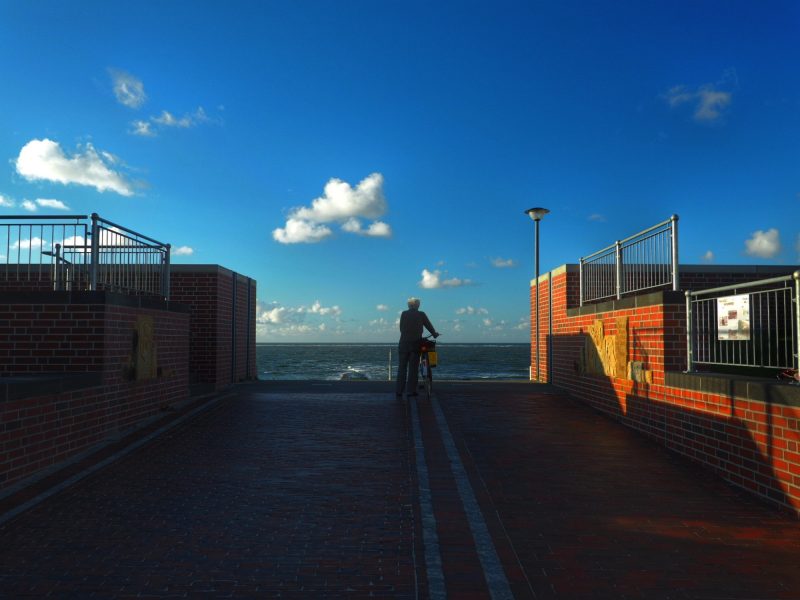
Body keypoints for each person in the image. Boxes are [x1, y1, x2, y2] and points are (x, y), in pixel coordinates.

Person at [396, 297, 439, 397]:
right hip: (415, 344)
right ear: (416, 305)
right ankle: (411, 391)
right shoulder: (421, 314)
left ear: (409, 305)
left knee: (402, 368)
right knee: (413, 368)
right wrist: (434, 333)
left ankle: (399, 390)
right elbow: (428, 325)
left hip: (403, 343)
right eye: (418, 304)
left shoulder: (404, 314)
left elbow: (401, 328)